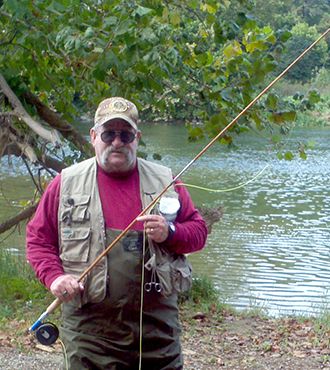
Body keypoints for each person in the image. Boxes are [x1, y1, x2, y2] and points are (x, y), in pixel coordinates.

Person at [26, 97, 208, 369]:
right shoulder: (65, 183)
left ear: (137, 138)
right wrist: (54, 277)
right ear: (94, 136)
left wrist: (170, 232)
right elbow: (38, 240)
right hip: (89, 334)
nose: (117, 142)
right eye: (109, 133)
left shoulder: (166, 181)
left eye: (126, 134)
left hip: (157, 333)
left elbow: (198, 233)